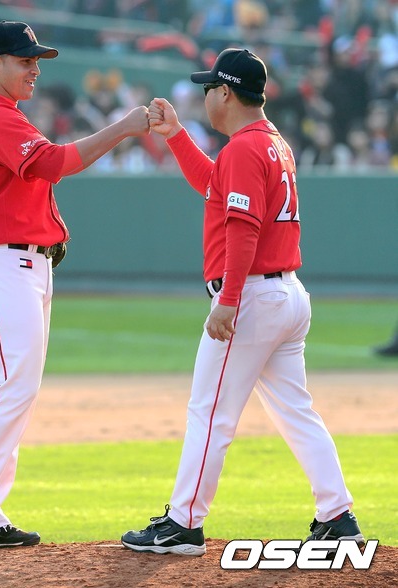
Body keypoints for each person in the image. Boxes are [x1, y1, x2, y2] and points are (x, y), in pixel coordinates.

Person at [121, 48, 364, 556]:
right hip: (287, 295)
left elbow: (243, 227)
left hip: (252, 296)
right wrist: (177, 136)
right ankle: (337, 515)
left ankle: (183, 522)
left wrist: (228, 300)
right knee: (297, 413)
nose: (207, 95)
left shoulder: (244, 148)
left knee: (209, 412)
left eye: (211, 87)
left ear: (227, 93)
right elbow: (215, 187)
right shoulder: (271, 142)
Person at [0, 20, 149, 556]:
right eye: (25, 60)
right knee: (11, 385)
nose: (35, 69)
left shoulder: (5, 114)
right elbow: (52, 163)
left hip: (22, 264)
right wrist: (123, 127)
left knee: (16, 388)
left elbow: (32, 181)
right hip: (0, 263)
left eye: (36, 61)